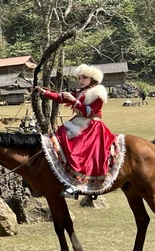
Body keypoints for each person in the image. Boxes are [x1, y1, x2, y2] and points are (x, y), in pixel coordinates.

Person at [34, 64, 117, 198]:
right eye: (79, 78)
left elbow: (90, 112)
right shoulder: (81, 92)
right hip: (77, 122)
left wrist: (74, 101)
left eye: (84, 78)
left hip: (91, 126)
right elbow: (61, 97)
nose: (80, 81)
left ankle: (76, 184)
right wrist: (44, 93)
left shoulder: (97, 93)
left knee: (77, 150)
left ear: (92, 78)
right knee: (56, 138)